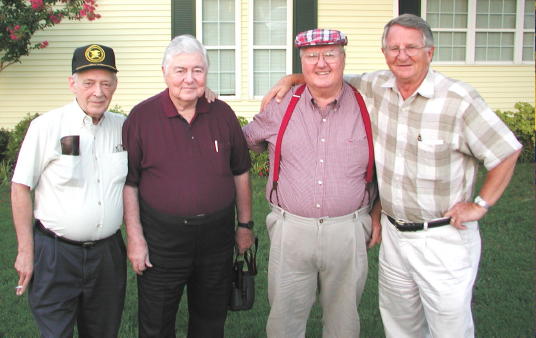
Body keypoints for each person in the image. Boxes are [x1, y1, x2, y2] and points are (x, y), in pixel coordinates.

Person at [263, 14, 522, 338]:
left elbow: (507, 151)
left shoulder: (458, 99)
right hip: (394, 235)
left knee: (449, 327)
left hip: (442, 236)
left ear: (430, 52)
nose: (402, 55)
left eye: (412, 47)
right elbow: (325, 74)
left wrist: (481, 204)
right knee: (401, 328)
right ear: (384, 52)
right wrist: (293, 78)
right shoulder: (377, 88)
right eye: (394, 47)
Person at [243, 29, 380, 338]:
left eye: (330, 54)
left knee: (344, 324)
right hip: (291, 231)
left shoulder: (369, 103)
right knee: (284, 323)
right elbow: (246, 140)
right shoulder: (281, 105)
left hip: (348, 230)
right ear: (301, 63)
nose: (321, 63)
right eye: (311, 56)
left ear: (344, 59)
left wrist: (378, 209)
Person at [122, 34, 254, 338]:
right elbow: (130, 184)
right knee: (156, 323)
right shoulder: (141, 118)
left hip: (216, 239)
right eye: (180, 70)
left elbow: (241, 172)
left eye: (198, 70)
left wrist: (244, 225)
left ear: (206, 74)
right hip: (161, 241)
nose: (189, 78)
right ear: (165, 72)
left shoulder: (222, 114)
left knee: (210, 322)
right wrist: (135, 238)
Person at [11, 44, 127, 337]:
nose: (98, 92)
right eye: (88, 83)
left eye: (105, 83)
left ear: (115, 85)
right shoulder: (47, 126)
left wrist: (203, 96)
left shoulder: (124, 128)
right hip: (55, 254)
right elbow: (21, 187)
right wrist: (26, 251)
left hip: (107, 256)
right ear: (72, 83)